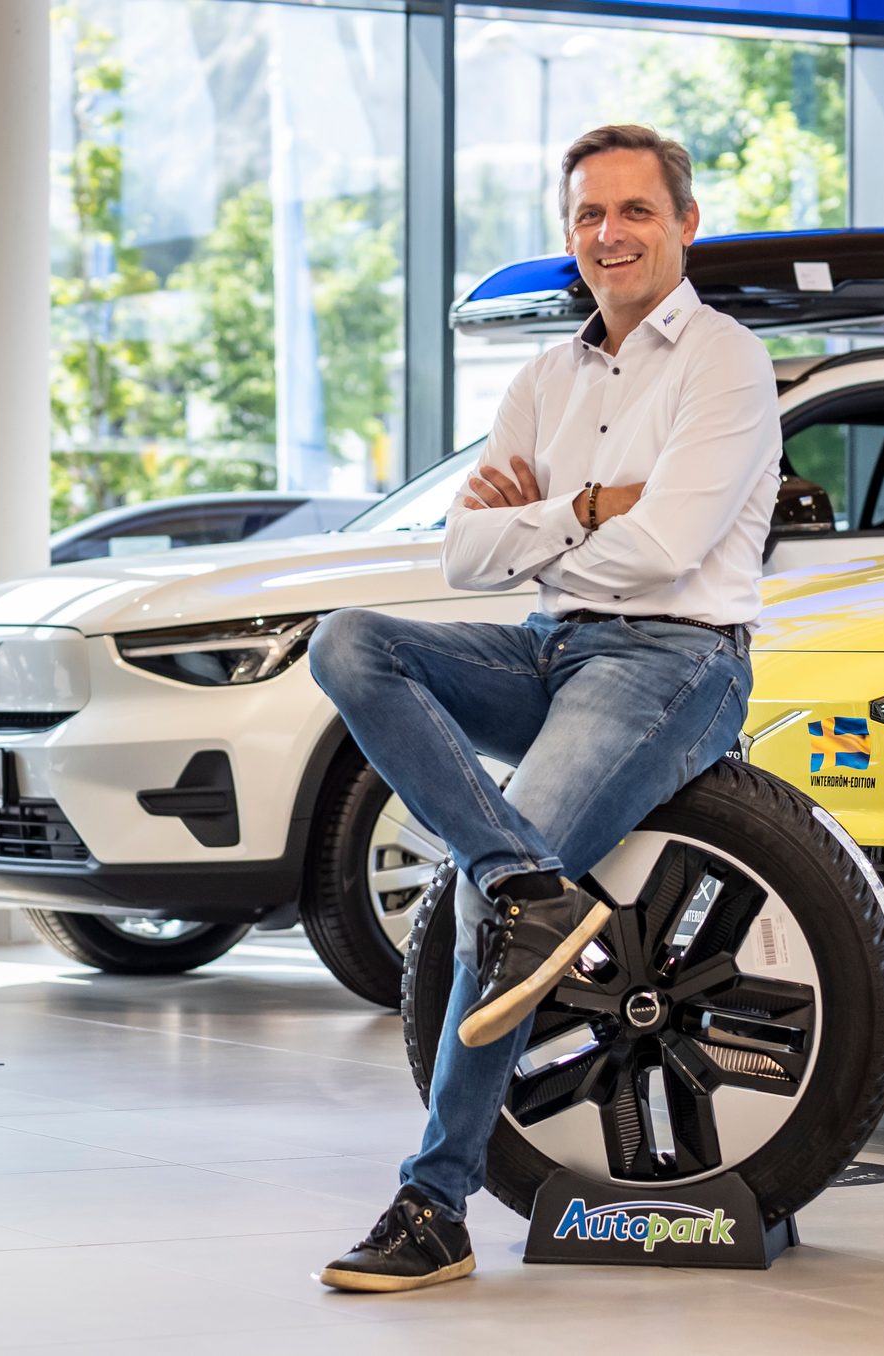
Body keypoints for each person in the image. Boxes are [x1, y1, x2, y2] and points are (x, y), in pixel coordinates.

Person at [307, 124, 782, 1292]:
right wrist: (587, 508)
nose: (608, 235)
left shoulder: (725, 362)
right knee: (351, 643)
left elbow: (671, 547)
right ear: (569, 233)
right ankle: (527, 880)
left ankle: (436, 1206)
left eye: (634, 212)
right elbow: (464, 555)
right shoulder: (545, 377)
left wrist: (549, 526)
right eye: (587, 216)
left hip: (677, 662)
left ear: (685, 224)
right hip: (548, 647)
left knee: (481, 915)